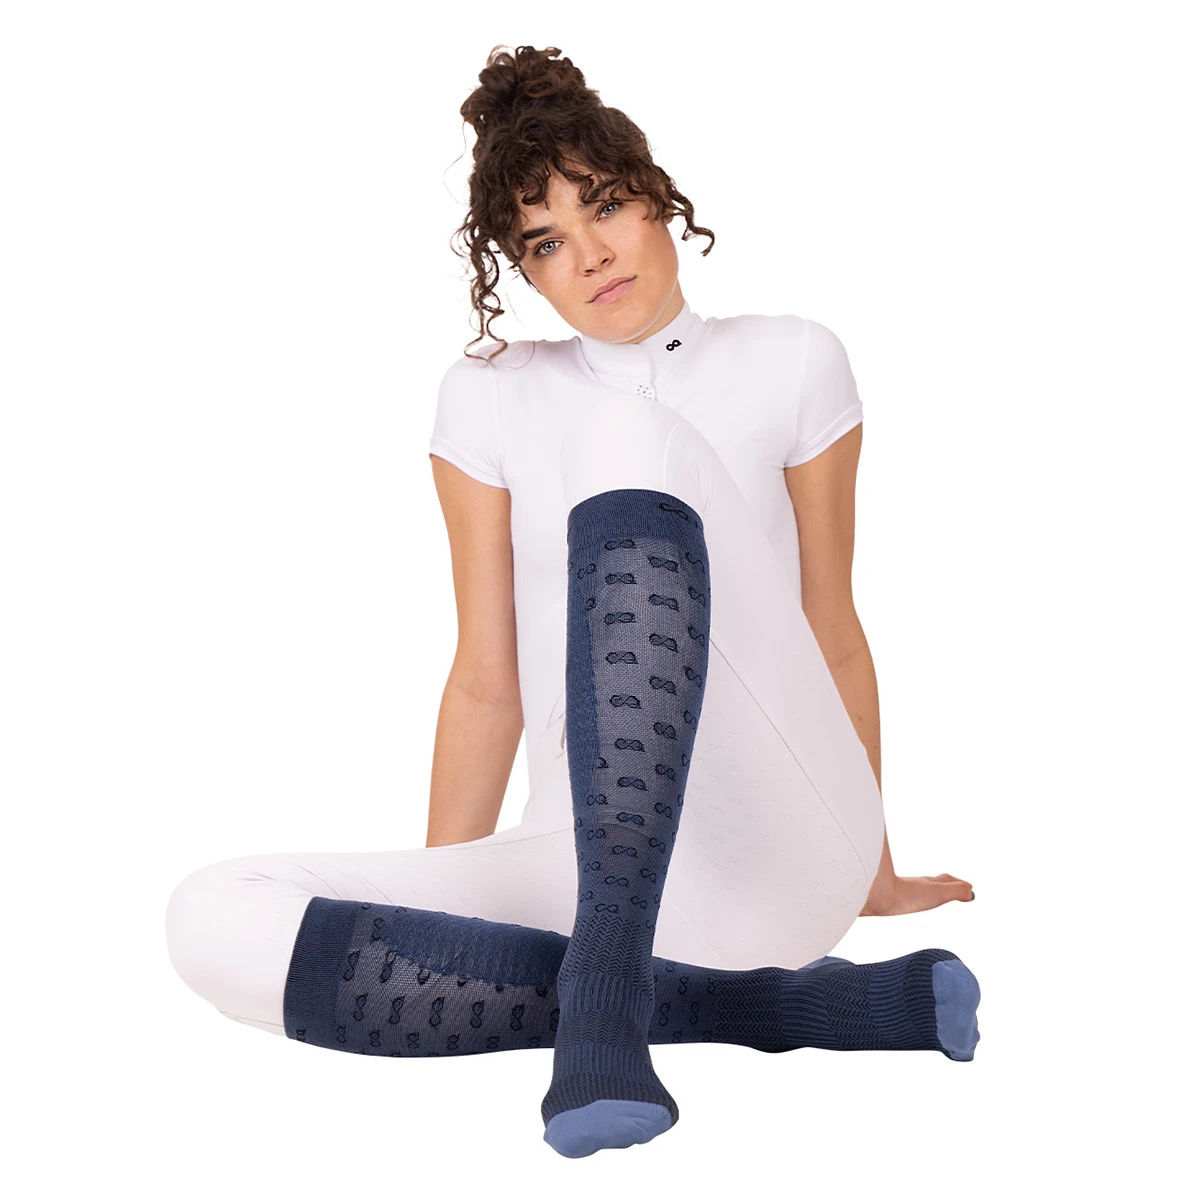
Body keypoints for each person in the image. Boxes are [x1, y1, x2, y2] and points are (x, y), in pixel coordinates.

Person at [164, 44, 981, 1159]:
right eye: (546, 242)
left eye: (604, 206)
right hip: (594, 865)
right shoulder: (490, 398)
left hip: (783, 851)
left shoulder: (791, 360)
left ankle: (604, 990)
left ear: (658, 199)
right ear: (527, 274)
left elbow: (830, 629)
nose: (589, 254)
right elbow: (485, 681)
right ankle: (760, 1006)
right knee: (211, 921)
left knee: (623, 434)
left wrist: (872, 869)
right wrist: (442, 898)